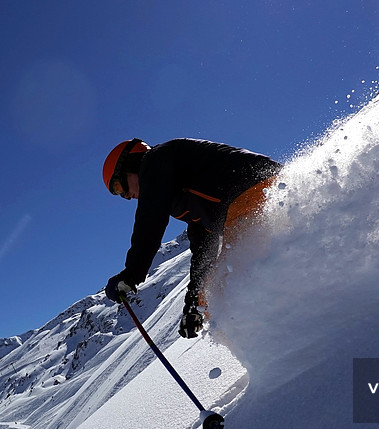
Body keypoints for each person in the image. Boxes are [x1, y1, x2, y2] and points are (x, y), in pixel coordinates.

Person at [103, 138, 282, 338]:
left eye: (119, 187)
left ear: (130, 163)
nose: (127, 196)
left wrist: (132, 273)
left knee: (229, 288)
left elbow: (151, 216)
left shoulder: (155, 160)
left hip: (254, 191)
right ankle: (274, 340)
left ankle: (282, 340)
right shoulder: (182, 190)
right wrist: (193, 305)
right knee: (213, 293)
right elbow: (203, 248)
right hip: (253, 199)